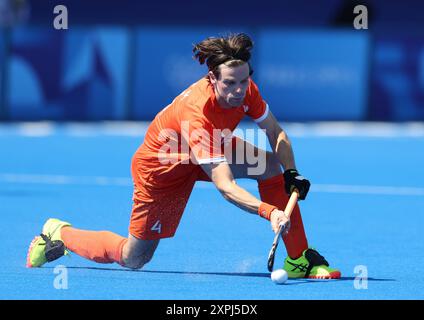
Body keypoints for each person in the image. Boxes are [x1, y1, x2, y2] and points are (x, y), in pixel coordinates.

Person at [27, 33, 340, 279]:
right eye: (229, 83)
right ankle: (60, 233)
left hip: (212, 147)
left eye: (244, 81)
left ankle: (300, 259)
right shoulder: (197, 113)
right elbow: (226, 187)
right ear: (212, 79)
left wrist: (291, 172)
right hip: (163, 167)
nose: (238, 90)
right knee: (135, 257)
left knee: (272, 166)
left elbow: (276, 132)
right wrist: (270, 213)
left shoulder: (246, 89)